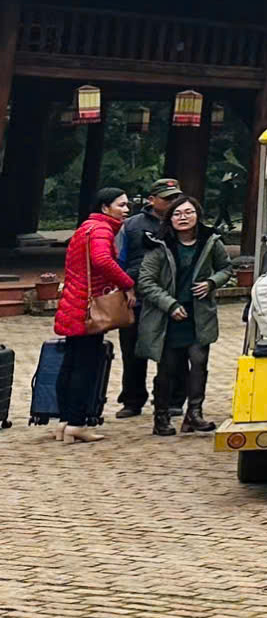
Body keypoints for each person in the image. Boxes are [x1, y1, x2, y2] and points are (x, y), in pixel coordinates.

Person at [135, 196, 232, 436]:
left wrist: (212, 282)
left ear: (197, 215)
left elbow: (226, 269)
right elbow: (145, 282)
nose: (183, 217)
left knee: (199, 363)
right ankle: (162, 417)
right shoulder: (159, 244)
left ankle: (194, 414)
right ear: (170, 218)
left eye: (188, 212)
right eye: (177, 214)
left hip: (199, 314)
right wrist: (170, 304)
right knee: (167, 367)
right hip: (167, 317)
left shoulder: (211, 241)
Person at [53, 188, 134, 443]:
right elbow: (102, 261)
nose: (126, 209)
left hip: (74, 303)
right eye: (121, 205)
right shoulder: (101, 230)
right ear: (104, 207)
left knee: (71, 363)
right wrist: (127, 283)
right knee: (85, 367)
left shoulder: (85, 228)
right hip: (89, 308)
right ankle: (77, 423)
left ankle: (65, 422)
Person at [112, 177, 183, 416]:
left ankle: (172, 399)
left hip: (172, 298)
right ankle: (132, 400)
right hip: (137, 297)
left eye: (176, 198)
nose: (174, 203)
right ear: (152, 200)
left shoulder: (183, 222)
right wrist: (125, 287)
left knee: (174, 351)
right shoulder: (131, 225)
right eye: (168, 199)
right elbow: (118, 260)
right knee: (132, 351)